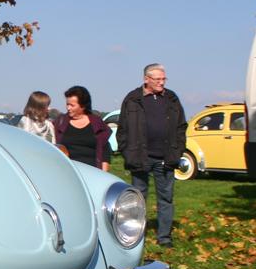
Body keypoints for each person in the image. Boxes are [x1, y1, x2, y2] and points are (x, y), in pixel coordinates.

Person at [117, 63, 187, 247]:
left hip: (165, 158)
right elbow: (122, 129)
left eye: (164, 79)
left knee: (166, 198)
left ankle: (164, 238)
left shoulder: (171, 99)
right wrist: (127, 152)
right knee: (137, 200)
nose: (162, 83)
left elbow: (181, 127)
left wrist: (177, 151)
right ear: (146, 79)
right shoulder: (132, 99)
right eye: (158, 79)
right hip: (140, 157)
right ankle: (135, 237)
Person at [54, 86, 110, 171]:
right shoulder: (60, 122)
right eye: (67, 104)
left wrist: (104, 173)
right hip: (68, 173)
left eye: (72, 105)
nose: (68, 108)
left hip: (93, 174)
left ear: (83, 106)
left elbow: (105, 152)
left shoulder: (97, 123)